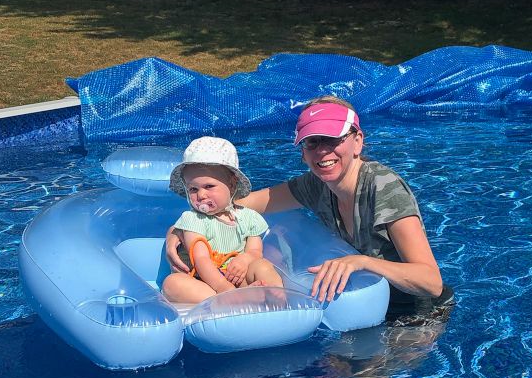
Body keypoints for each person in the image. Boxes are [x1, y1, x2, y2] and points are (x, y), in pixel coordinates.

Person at [166, 98, 453, 322]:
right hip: (363, 309)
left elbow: (431, 283)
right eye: (312, 142)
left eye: (333, 139)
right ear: (302, 151)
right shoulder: (316, 185)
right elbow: (236, 203)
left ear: (357, 141)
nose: (322, 151)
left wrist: (361, 261)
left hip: (419, 314)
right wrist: (180, 229)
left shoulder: (383, 188)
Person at [162, 137, 284, 304]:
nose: (201, 195)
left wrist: (244, 259)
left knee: (262, 266)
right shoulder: (193, 219)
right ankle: (233, 300)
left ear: (232, 185)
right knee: (172, 284)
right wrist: (223, 288)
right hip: (202, 283)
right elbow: (201, 259)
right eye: (193, 189)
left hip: (236, 277)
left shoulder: (249, 217)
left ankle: (279, 301)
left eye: (209, 186)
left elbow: (255, 252)